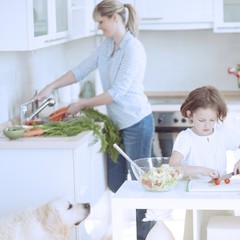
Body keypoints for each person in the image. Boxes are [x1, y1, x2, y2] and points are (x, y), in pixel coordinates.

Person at [34, 1, 154, 239]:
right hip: (116, 125)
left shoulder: (133, 48)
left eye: (101, 21)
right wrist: (50, 87)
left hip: (137, 123)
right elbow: (80, 69)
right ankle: (124, 231)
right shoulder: (107, 46)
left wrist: (80, 104)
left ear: (115, 18)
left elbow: (117, 93)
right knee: (117, 182)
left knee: (143, 186)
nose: (99, 26)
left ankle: (147, 235)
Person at [169, 85, 240, 239]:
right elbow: (173, 167)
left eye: (212, 120)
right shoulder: (186, 138)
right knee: (198, 233)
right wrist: (200, 170)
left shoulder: (222, 132)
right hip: (196, 198)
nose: (207, 125)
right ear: (190, 114)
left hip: (222, 195)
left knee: (224, 232)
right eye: (202, 120)